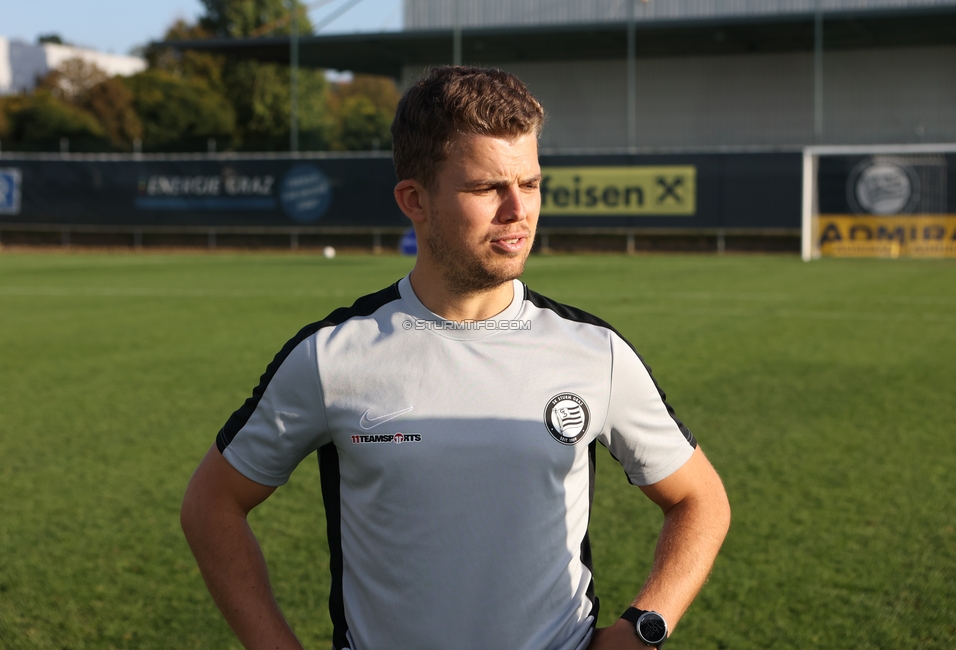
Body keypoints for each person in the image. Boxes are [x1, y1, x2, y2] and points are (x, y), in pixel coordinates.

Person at [181, 66, 730, 650]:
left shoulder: (593, 352)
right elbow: (212, 504)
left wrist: (643, 629)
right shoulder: (333, 355)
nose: (518, 210)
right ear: (414, 200)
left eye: (531, 183)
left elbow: (700, 499)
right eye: (486, 188)